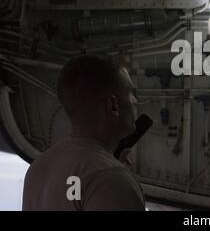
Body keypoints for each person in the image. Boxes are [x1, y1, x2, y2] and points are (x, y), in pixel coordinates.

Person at [22, 55, 145, 211]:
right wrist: (117, 177)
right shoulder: (110, 177)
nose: (135, 100)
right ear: (113, 105)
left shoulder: (38, 167)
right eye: (130, 93)